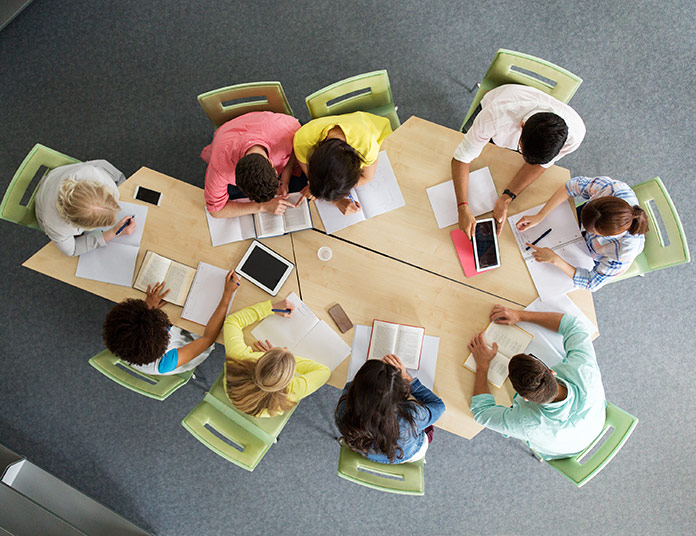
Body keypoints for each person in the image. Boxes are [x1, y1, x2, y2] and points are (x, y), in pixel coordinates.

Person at [468, 305, 606, 460]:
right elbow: (574, 325)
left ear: (524, 398)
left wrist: (483, 366)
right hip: (595, 423)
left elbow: (480, 412)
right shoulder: (584, 371)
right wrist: (520, 315)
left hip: (563, 450)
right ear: (551, 372)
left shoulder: (528, 424)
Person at [451, 84, 586, 237]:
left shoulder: (575, 135)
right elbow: (461, 157)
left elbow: (541, 165)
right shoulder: (494, 116)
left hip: (522, 115)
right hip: (498, 103)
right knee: (463, 137)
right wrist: (462, 207)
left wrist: (507, 197)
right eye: (522, 151)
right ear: (521, 126)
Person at [516, 176, 648, 291]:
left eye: (590, 230)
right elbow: (571, 186)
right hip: (580, 230)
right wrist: (541, 215)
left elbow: (591, 283)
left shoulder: (623, 253)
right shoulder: (612, 189)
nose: (583, 227)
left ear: (605, 235)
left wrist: (556, 260)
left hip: (590, 254)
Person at [102, 272, 239, 375]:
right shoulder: (166, 362)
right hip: (193, 342)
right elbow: (208, 339)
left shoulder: (121, 338)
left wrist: (147, 307)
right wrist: (227, 295)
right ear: (164, 333)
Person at [223, 299, 330, 417]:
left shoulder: (240, 358)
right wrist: (285, 359)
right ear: (289, 378)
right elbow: (325, 371)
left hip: (236, 393)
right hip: (256, 409)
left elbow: (232, 321)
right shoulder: (292, 391)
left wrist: (271, 308)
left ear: (262, 359)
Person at [335, 355, 445, 464]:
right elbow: (439, 406)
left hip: (365, 450)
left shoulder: (344, 407)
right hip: (404, 454)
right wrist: (407, 378)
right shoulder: (410, 416)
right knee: (428, 427)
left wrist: (374, 376)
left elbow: (352, 387)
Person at [201, 111, 302, 219]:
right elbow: (216, 211)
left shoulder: (289, 130)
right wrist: (261, 206)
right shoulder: (219, 168)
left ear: (271, 163)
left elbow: (295, 147)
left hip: (269, 125)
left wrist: (285, 180)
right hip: (227, 135)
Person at [292, 111, 392, 214]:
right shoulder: (302, 141)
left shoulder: (366, 146)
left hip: (379, 133)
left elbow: (367, 178)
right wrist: (332, 198)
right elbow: (312, 177)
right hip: (351, 124)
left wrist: (336, 198)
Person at [34, 160, 136, 256]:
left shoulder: (94, 174)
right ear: (78, 225)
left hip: (57, 176)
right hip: (43, 198)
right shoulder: (56, 226)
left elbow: (106, 167)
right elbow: (72, 250)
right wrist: (113, 232)